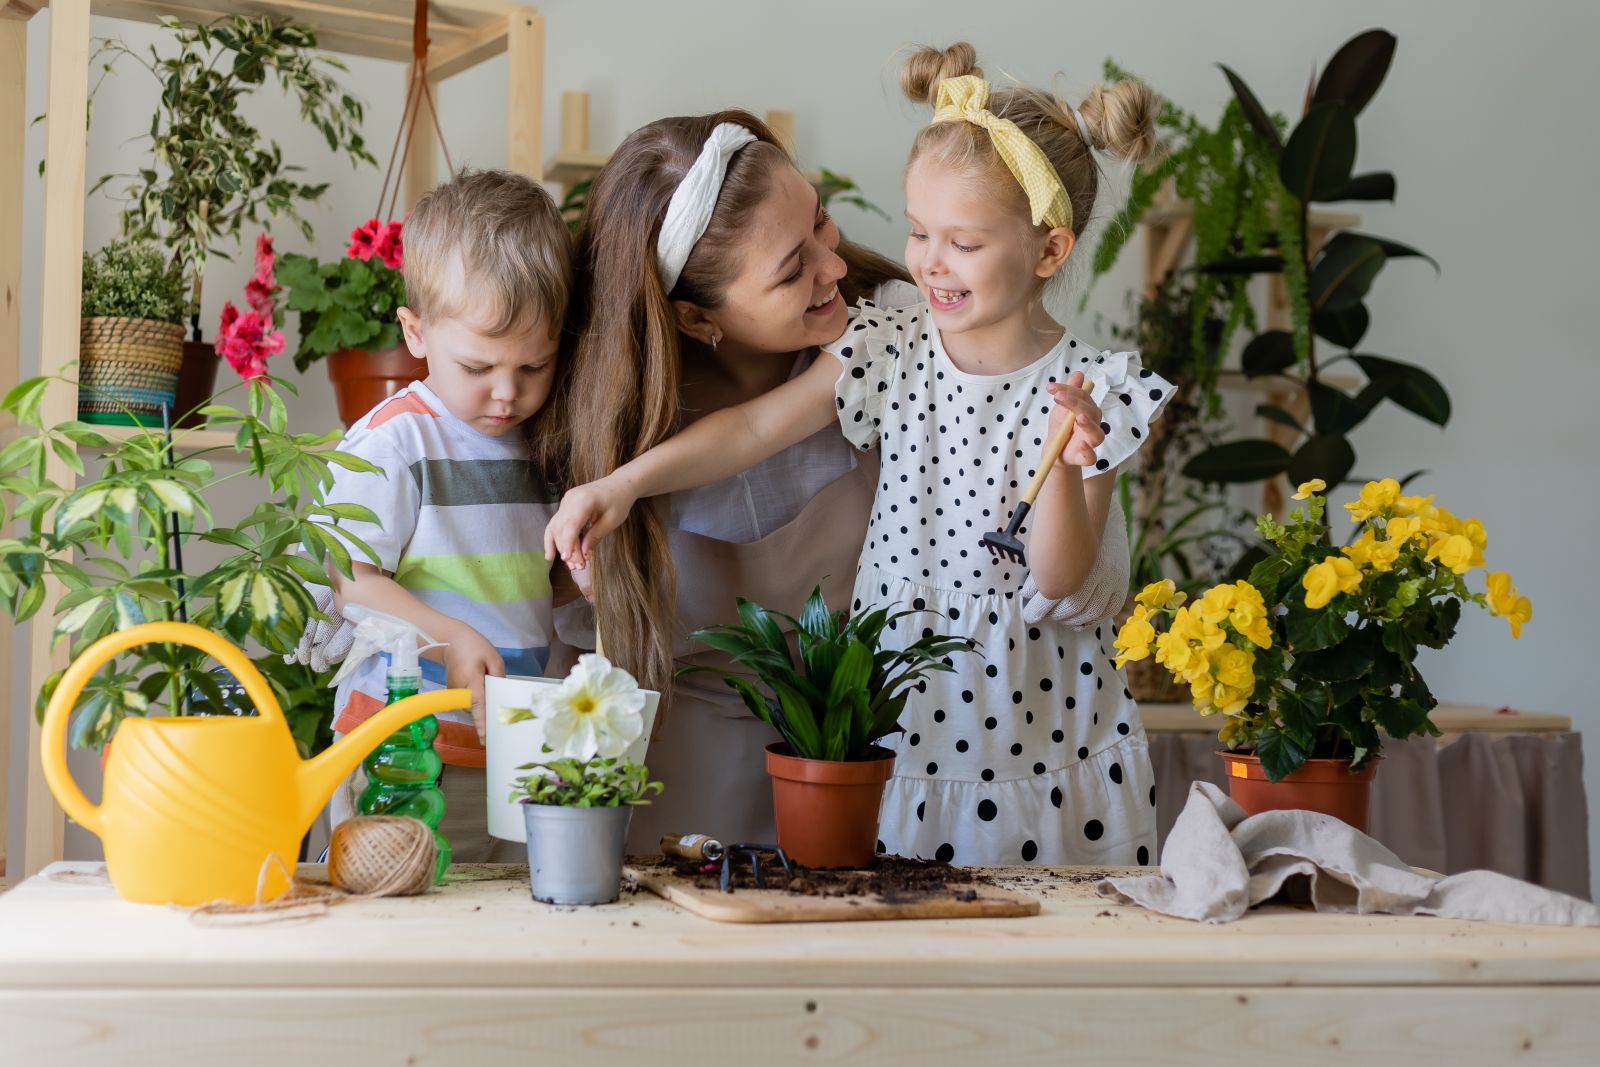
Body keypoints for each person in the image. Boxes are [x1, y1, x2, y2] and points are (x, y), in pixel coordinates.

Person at [546, 45, 1172, 865]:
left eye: (963, 242)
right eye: (918, 232)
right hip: (906, 728)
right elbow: (752, 430)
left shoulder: (1087, 391)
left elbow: (1059, 579)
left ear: (1048, 251)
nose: (917, 260)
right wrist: (622, 483)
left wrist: (1065, 462)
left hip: (1037, 728)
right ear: (701, 318)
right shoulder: (897, 340)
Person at [536, 110, 913, 850]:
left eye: (822, 225)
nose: (833, 269)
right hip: (686, 765)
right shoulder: (612, 415)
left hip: (877, 743)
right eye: (791, 271)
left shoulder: (886, 333)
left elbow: (762, 427)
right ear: (694, 317)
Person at [315, 168, 573, 862]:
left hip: (512, 744)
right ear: (417, 332)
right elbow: (351, 580)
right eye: (479, 366)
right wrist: (449, 634)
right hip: (404, 746)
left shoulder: (543, 440)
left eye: (534, 366)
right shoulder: (394, 441)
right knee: (405, 917)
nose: (506, 393)